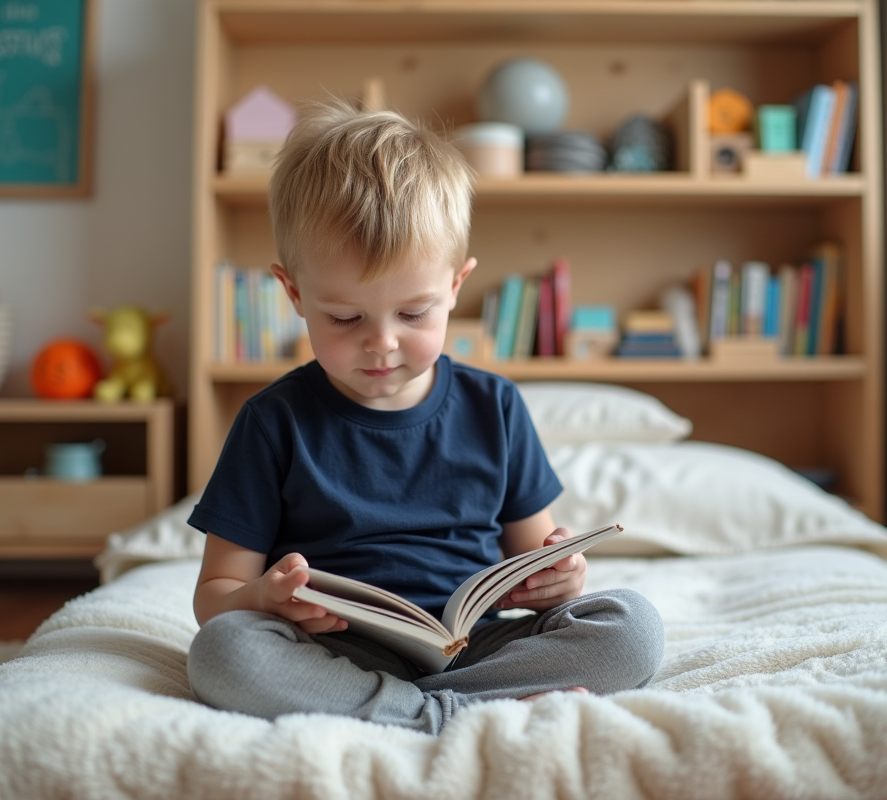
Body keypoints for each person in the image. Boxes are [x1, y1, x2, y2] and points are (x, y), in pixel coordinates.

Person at [186, 101, 664, 735]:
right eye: (346, 318)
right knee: (224, 652)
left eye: (413, 314)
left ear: (456, 286)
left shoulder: (495, 406)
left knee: (632, 628)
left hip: (474, 646)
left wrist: (561, 578)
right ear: (295, 293)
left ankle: (414, 711)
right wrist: (263, 597)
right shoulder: (272, 422)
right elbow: (215, 599)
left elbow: (535, 562)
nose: (381, 343)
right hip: (336, 654)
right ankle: (455, 713)